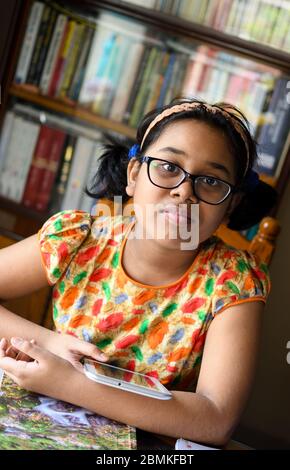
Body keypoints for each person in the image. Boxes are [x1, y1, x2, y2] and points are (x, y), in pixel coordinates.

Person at [0, 98, 276, 446]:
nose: (184, 191)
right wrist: (49, 342)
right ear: (133, 175)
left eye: (210, 181)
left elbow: (215, 419)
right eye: (167, 167)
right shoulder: (78, 239)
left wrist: (71, 384)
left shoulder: (231, 281)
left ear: (231, 203)